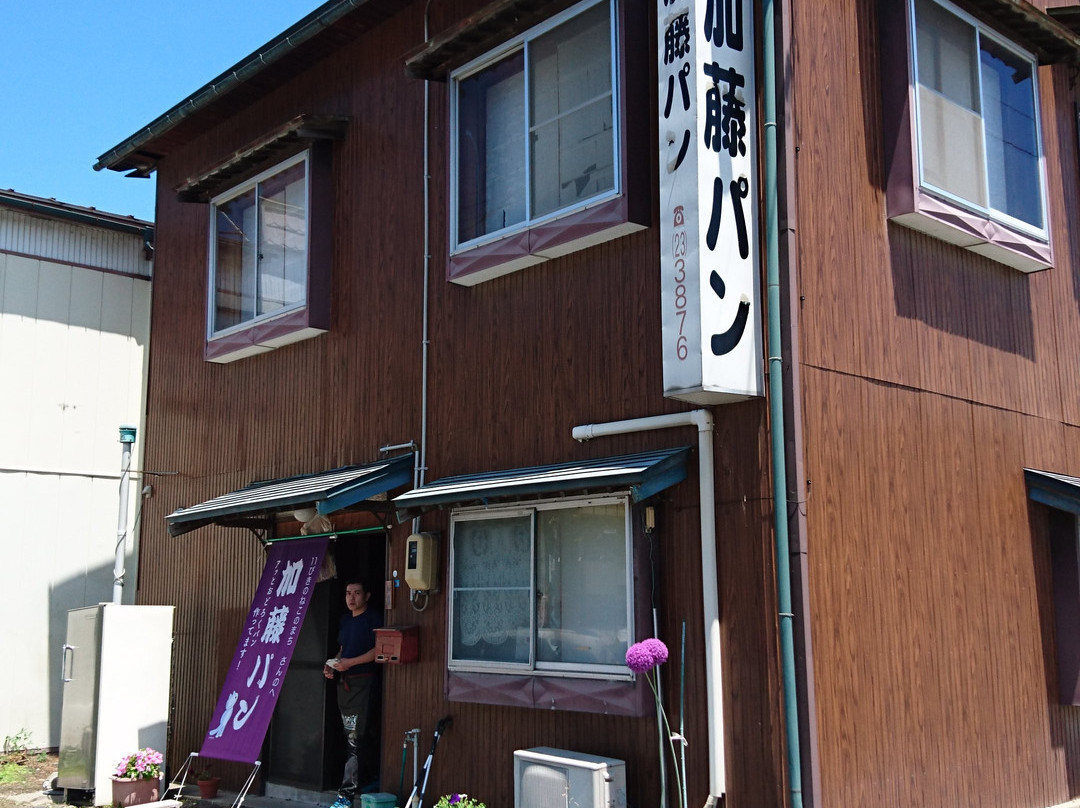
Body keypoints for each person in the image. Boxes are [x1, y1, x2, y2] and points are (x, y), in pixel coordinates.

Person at [324, 580, 383, 808]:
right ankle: (366, 782)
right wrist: (332, 664)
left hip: (364, 684)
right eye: (348, 593)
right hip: (345, 686)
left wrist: (351, 663)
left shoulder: (374, 618)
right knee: (352, 737)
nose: (352, 598)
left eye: (357, 593)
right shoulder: (345, 620)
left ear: (366, 596)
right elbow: (342, 649)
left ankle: (346, 796)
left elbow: (380, 649)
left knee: (355, 738)